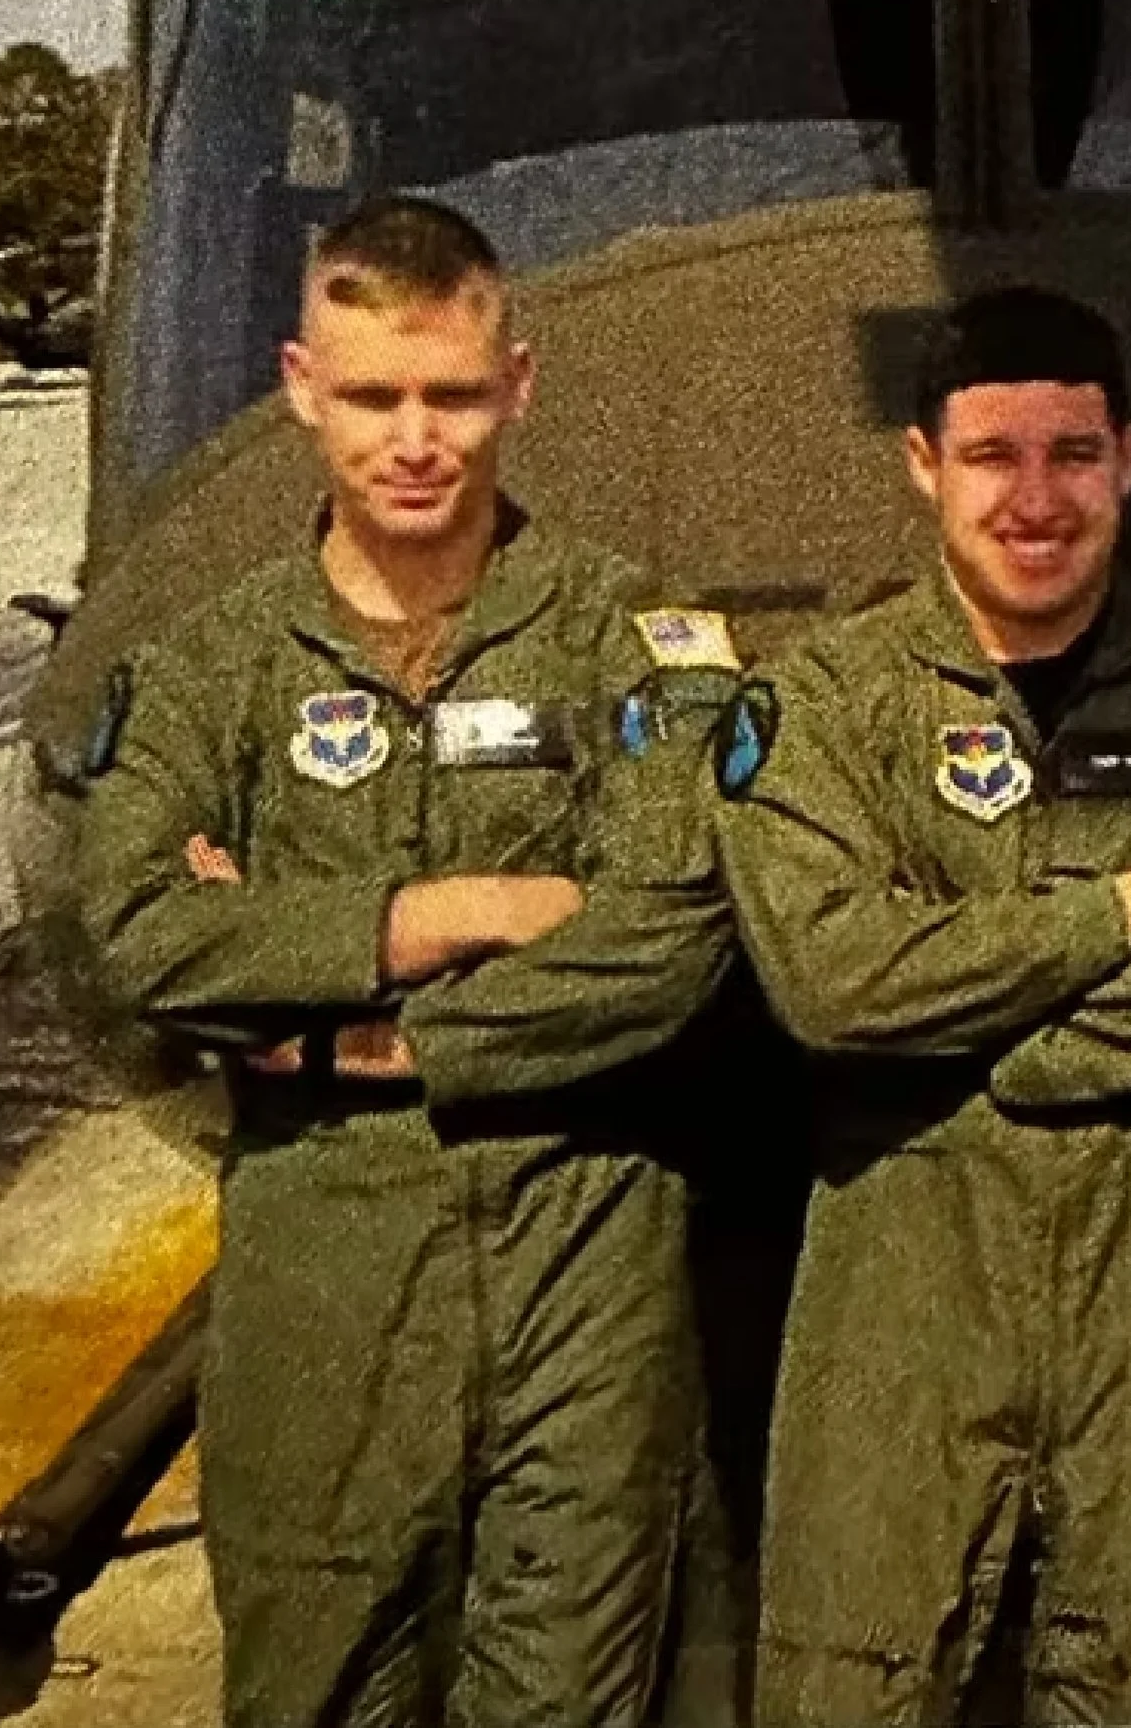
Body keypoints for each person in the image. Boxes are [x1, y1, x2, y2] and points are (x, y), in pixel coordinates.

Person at [70, 195, 739, 1728]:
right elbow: (137, 938)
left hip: (584, 1257)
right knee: (319, 1685)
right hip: (324, 1273)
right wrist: (456, 910)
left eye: (449, 393)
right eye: (373, 396)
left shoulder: (633, 640)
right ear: (303, 385)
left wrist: (360, 1035)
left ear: (518, 384)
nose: (413, 439)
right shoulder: (210, 673)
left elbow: (673, 934)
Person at [714, 283, 1131, 1725]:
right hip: (905, 1281)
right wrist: (1119, 912)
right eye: (994, 455)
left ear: (1129, 457)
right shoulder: (826, 705)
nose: (1037, 499)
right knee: (856, 1680)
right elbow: (832, 981)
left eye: (1073, 454)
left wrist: (1006, 1049)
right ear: (923, 465)